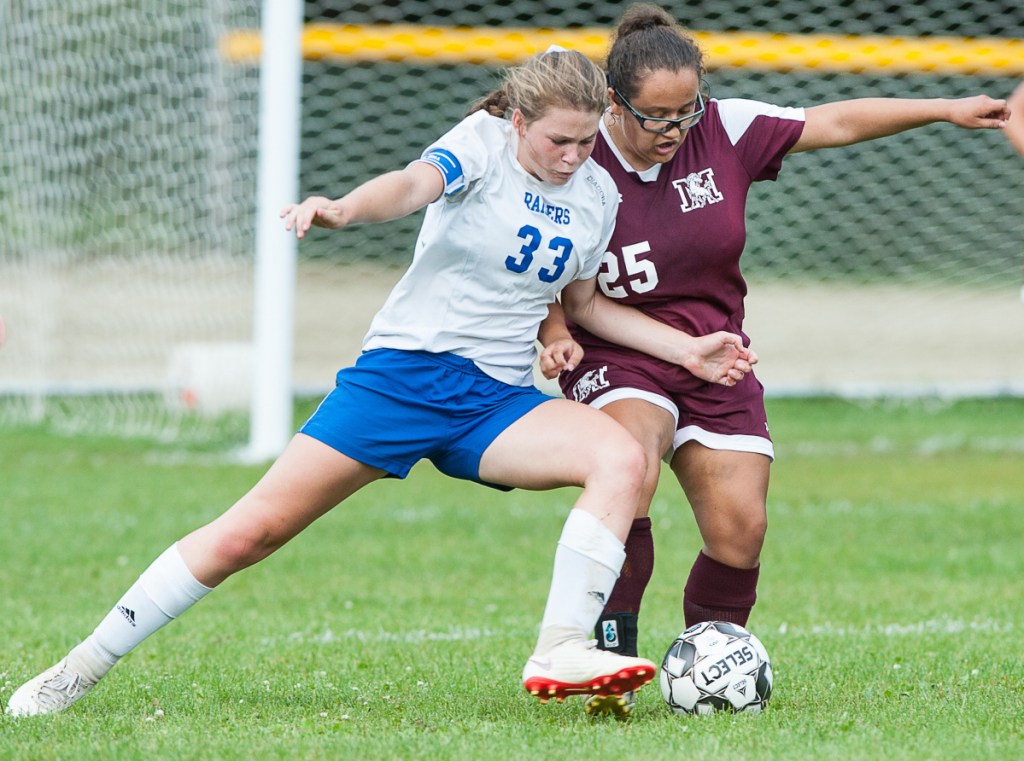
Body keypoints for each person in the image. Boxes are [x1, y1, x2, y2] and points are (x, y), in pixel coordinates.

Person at [5, 48, 758, 717]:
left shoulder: (597, 194)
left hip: (493, 402)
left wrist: (686, 351)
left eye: (587, 141)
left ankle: (560, 645)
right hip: (400, 380)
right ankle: (78, 668)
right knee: (249, 532)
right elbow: (409, 185)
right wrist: (343, 209)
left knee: (622, 458)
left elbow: (586, 303)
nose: (572, 156)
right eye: (558, 140)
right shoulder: (480, 147)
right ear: (520, 120)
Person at [542, 3, 1012, 718]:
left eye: (685, 112)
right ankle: (606, 667)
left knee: (740, 527)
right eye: (655, 117)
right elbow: (549, 273)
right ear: (614, 102)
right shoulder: (577, 155)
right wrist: (555, 331)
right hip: (617, 350)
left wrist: (945, 108)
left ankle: (709, 676)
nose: (674, 131)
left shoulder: (723, 128)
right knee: (627, 466)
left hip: (717, 353)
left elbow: (837, 121)